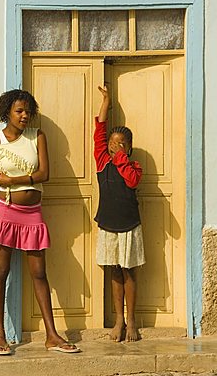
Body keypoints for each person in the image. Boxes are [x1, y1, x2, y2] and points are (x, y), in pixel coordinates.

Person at [0, 89, 80, 355]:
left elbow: (44, 173)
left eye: (27, 111)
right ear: (7, 112)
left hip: (32, 213)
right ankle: (0, 336)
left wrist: (13, 180)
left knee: (39, 274)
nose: (24, 116)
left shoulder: (38, 136)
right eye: (18, 111)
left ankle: (52, 336)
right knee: (1, 272)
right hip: (6, 212)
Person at [93, 85, 145, 343]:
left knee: (129, 272)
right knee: (114, 271)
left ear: (129, 147)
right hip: (108, 224)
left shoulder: (133, 166)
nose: (114, 147)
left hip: (130, 225)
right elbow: (99, 130)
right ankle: (118, 320)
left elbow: (132, 181)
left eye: (121, 144)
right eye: (112, 144)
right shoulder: (102, 162)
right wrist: (106, 101)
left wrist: (121, 158)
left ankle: (132, 320)